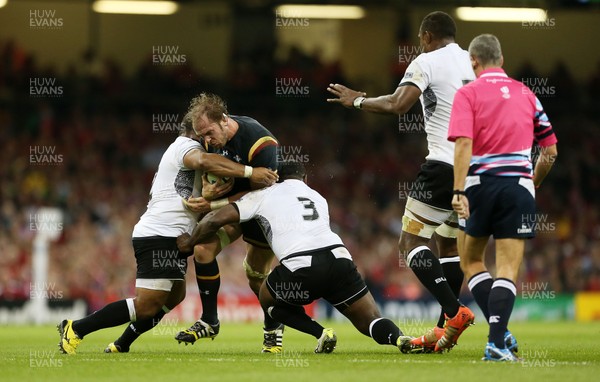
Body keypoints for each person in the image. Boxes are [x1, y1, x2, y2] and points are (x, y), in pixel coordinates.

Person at [57, 119, 278, 354]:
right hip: (159, 232)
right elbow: (203, 161)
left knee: (174, 296)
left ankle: (122, 343)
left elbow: (194, 202)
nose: (210, 140)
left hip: (172, 233)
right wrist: (250, 172)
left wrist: (210, 197)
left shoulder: (193, 160)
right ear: (194, 133)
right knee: (145, 306)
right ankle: (77, 328)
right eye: (205, 134)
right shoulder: (184, 146)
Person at [326, 11, 474, 352]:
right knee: (448, 244)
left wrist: (357, 100)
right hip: (476, 167)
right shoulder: (473, 61)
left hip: (443, 164)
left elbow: (397, 104)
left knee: (409, 244)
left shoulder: (426, 60)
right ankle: (444, 331)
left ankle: (453, 313)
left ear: (424, 37)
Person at [177, 161, 415, 354]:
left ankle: (320, 333)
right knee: (370, 320)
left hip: (302, 265)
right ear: (305, 180)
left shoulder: (264, 193)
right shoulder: (318, 197)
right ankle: (400, 338)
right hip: (340, 259)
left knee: (267, 298)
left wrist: (190, 242)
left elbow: (216, 219)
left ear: (277, 177)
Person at [448, 34, 558, 362]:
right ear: (502, 59)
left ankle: (498, 338)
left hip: (480, 185)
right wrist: (531, 182)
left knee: (471, 261)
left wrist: (457, 190)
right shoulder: (527, 94)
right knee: (508, 266)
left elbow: (463, 143)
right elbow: (550, 152)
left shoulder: (467, 93)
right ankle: (499, 338)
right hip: (518, 187)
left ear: (474, 62)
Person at [175, 93, 285, 353]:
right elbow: (209, 174)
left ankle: (273, 327)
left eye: (210, 133)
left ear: (224, 120)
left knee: (256, 275)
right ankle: (210, 320)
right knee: (202, 249)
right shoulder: (209, 140)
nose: (207, 141)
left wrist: (211, 204)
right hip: (230, 210)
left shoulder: (261, 143)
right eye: (202, 136)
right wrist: (207, 193)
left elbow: (262, 194)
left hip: (261, 212)